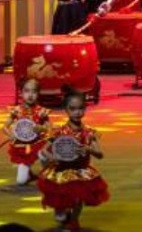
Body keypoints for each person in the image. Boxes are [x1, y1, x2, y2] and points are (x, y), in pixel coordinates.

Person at [37, 89, 109, 231]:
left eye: (80, 108)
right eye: (73, 109)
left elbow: (100, 154)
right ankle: (62, 214)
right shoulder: (58, 131)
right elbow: (44, 150)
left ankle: (74, 220)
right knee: (61, 208)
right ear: (66, 110)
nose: (77, 112)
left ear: (85, 108)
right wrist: (53, 158)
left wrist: (89, 149)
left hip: (80, 171)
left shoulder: (89, 132)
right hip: (62, 171)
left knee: (78, 198)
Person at [4, 79, 50, 185]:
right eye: (27, 91)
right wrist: (10, 135)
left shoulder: (41, 111)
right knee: (21, 181)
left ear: (38, 93)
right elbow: (4, 127)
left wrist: (41, 128)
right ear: (21, 93)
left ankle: (48, 171)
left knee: (43, 154)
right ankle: (28, 175)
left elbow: (49, 128)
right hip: (22, 147)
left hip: (38, 144)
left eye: (34, 91)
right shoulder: (16, 110)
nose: (30, 95)